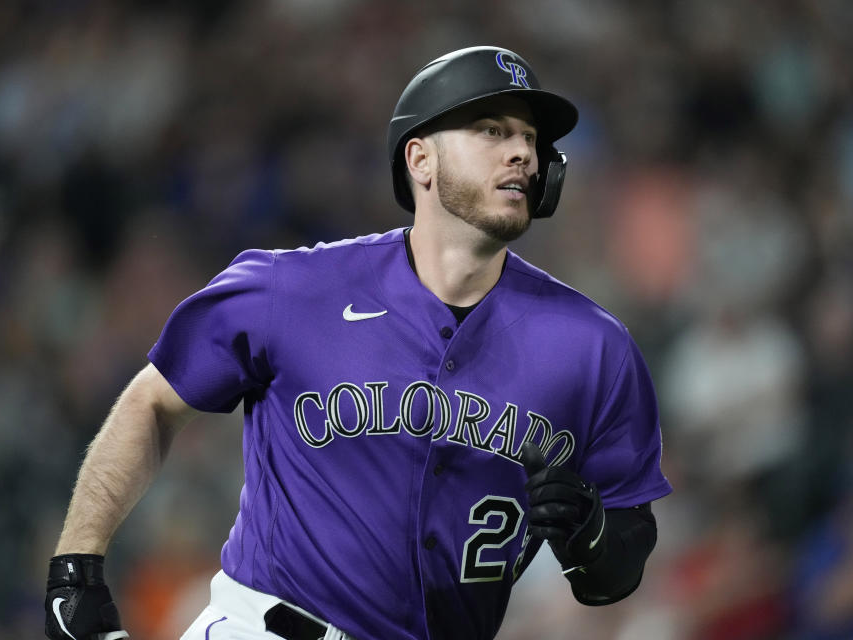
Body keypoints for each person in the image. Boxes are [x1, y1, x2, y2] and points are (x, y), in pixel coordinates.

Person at [45, 45, 672, 640]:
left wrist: (591, 538)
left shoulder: (595, 348)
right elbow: (153, 401)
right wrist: (76, 565)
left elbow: (617, 568)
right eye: (491, 130)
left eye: (530, 139)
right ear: (419, 159)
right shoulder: (292, 287)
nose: (522, 154)